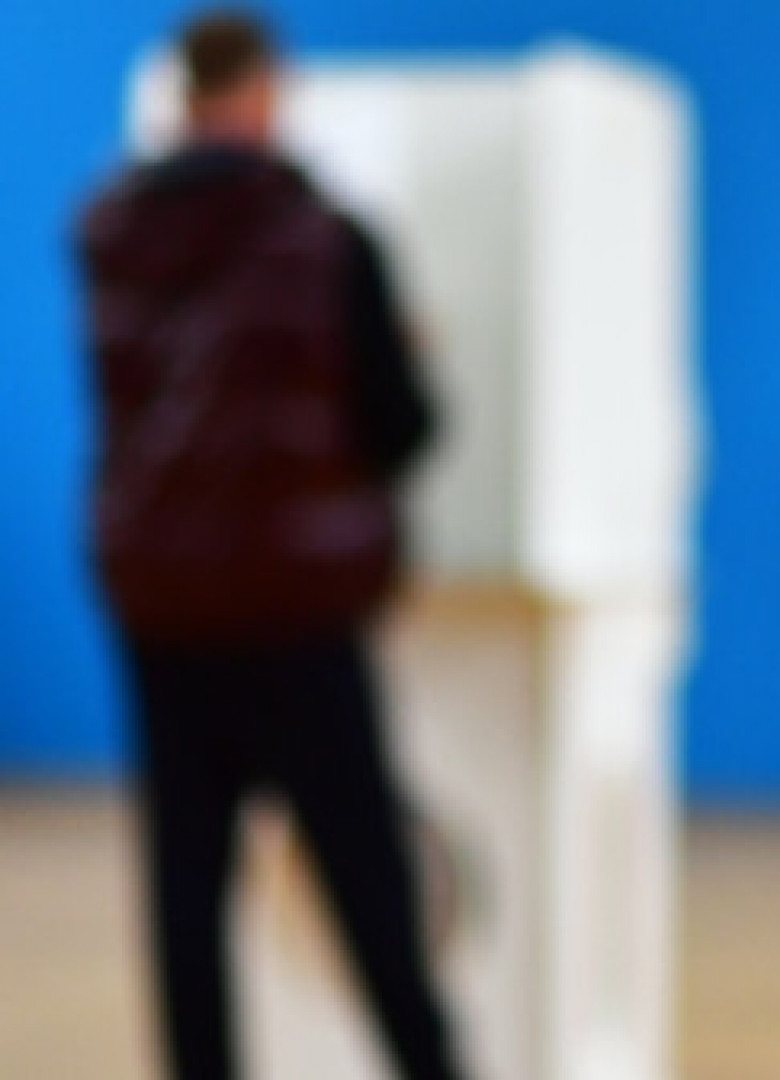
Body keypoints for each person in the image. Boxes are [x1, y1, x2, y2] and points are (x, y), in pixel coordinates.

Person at [75, 10, 466, 1080]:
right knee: (368, 882)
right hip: (298, 607)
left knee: (187, 886)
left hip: (163, 604)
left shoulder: (111, 236)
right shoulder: (326, 238)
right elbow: (399, 425)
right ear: (262, 92)